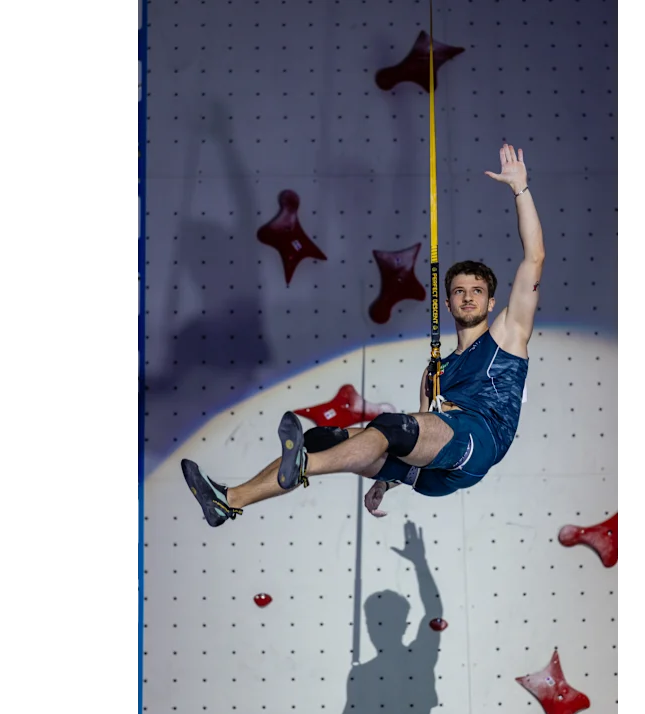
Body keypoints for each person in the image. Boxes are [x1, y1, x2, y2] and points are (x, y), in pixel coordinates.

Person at [182, 144, 544, 525]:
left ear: (491, 302)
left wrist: (520, 188)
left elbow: (534, 257)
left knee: (390, 427)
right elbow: (419, 438)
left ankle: (305, 466)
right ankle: (228, 500)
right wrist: (385, 483)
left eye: (477, 292)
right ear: (448, 303)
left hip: (478, 442)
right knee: (322, 438)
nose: (468, 297)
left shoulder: (507, 335)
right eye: (459, 292)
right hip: (433, 470)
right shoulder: (435, 370)